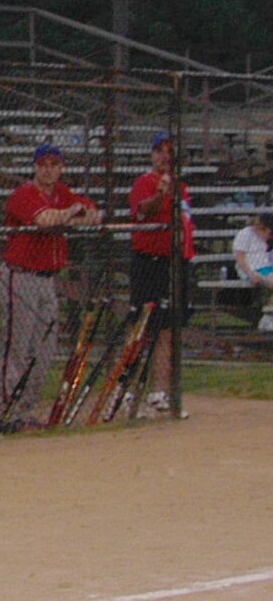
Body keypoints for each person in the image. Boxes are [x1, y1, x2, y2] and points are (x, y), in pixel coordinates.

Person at [0, 143, 100, 430]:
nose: (49, 169)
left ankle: (26, 410)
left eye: (54, 165)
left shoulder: (62, 194)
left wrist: (72, 211)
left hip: (47, 279)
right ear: (35, 167)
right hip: (20, 276)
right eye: (43, 165)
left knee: (44, 348)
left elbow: (93, 216)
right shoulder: (24, 194)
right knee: (19, 345)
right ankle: (9, 412)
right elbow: (44, 220)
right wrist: (71, 213)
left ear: (61, 167)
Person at [127, 134, 194, 415]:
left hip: (174, 263)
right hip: (148, 262)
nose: (164, 157)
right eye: (159, 151)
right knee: (141, 327)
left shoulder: (182, 187)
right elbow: (142, 212)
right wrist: (161, 193)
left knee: (166, 331)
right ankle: (129, 391)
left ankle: (159, 393)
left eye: (169, 152)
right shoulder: (144, 182)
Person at [231, 210, 273, 333]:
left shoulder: (266, 240)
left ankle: (268, 316)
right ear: (262, 228)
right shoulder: (245, 234)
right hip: (250, 268)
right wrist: (250, 274)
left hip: (266, 267)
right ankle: (268, 316)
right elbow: (240, 258)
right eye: (269, 233)